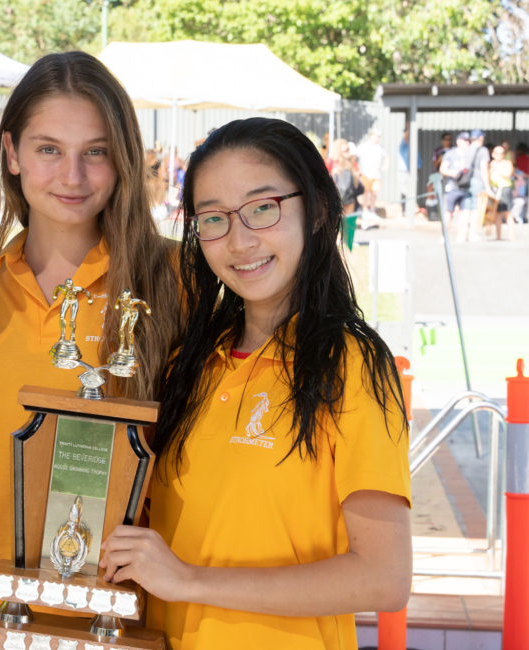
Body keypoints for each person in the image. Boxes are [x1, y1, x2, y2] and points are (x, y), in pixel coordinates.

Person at [100, 117, 411, 649]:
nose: (240, 241)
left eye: (262, 209)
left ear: (313, 209)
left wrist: (188, 579)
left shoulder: (352, 365)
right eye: (214, 219)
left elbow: (384, 577)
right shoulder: (190, 365)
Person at [0, 51, 182, 611]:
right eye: (49, 149)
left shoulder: (181, 280)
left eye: (95, 152)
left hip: (124, 618)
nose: (72, 176)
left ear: (125, 158)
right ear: (11, 153)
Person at [355, 130, 386, 220]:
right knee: (365, 193)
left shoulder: (380, 147)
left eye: (379, 137)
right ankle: (365, 211)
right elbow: (355, 156)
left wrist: (385, 165)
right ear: (371, 136)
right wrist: (357, 170)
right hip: (365, 174)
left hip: (376, 175)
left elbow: (387, 156)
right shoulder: (364, 146)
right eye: (376, 136)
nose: (378, 138)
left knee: (374, 193)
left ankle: (372, 211)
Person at [488, 144, 515, 240]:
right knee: (496, 213)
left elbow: (508, 174)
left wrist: (496, 168)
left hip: (504, 189)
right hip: (494, 189)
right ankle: (498, 236)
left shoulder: (507, 163)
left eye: (501, 153)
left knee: (507, 213)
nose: (498, 155)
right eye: (496, 153)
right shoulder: (490, 164)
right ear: (493, 154)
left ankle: (511, 236)